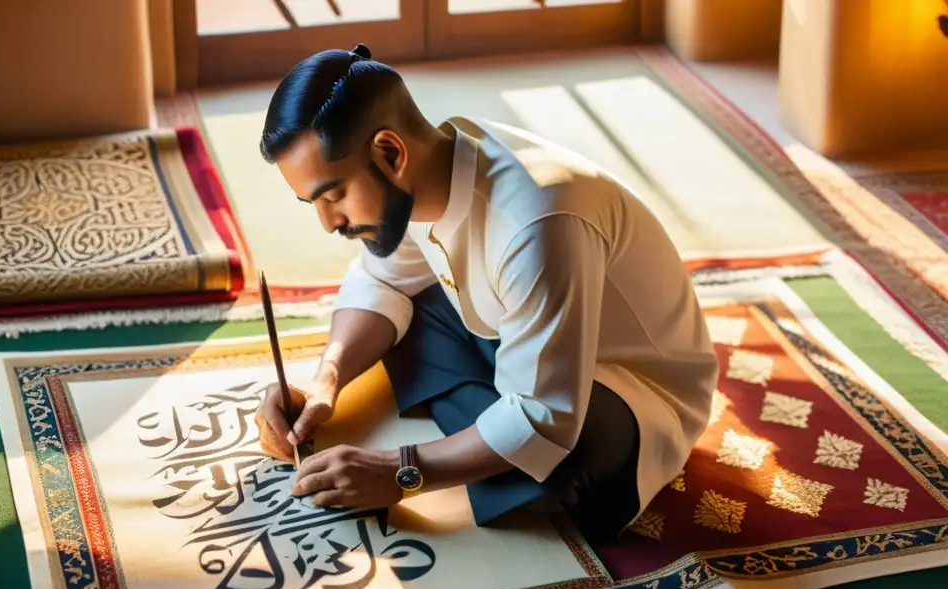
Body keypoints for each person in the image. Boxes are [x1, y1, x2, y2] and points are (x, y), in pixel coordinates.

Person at [255, 44, 718, 540]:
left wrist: (400, 471)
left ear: (390, 152)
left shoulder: (538, 221)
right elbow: (383, 278)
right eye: (313, 203)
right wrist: (327, 381)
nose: (329, 223)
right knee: (409, 310)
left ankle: (480, 420)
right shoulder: (436, 163)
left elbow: (544, 417)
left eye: (334, 196)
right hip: (517, 339)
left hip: (627, 393)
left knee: (552, 465)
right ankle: (484, 424)